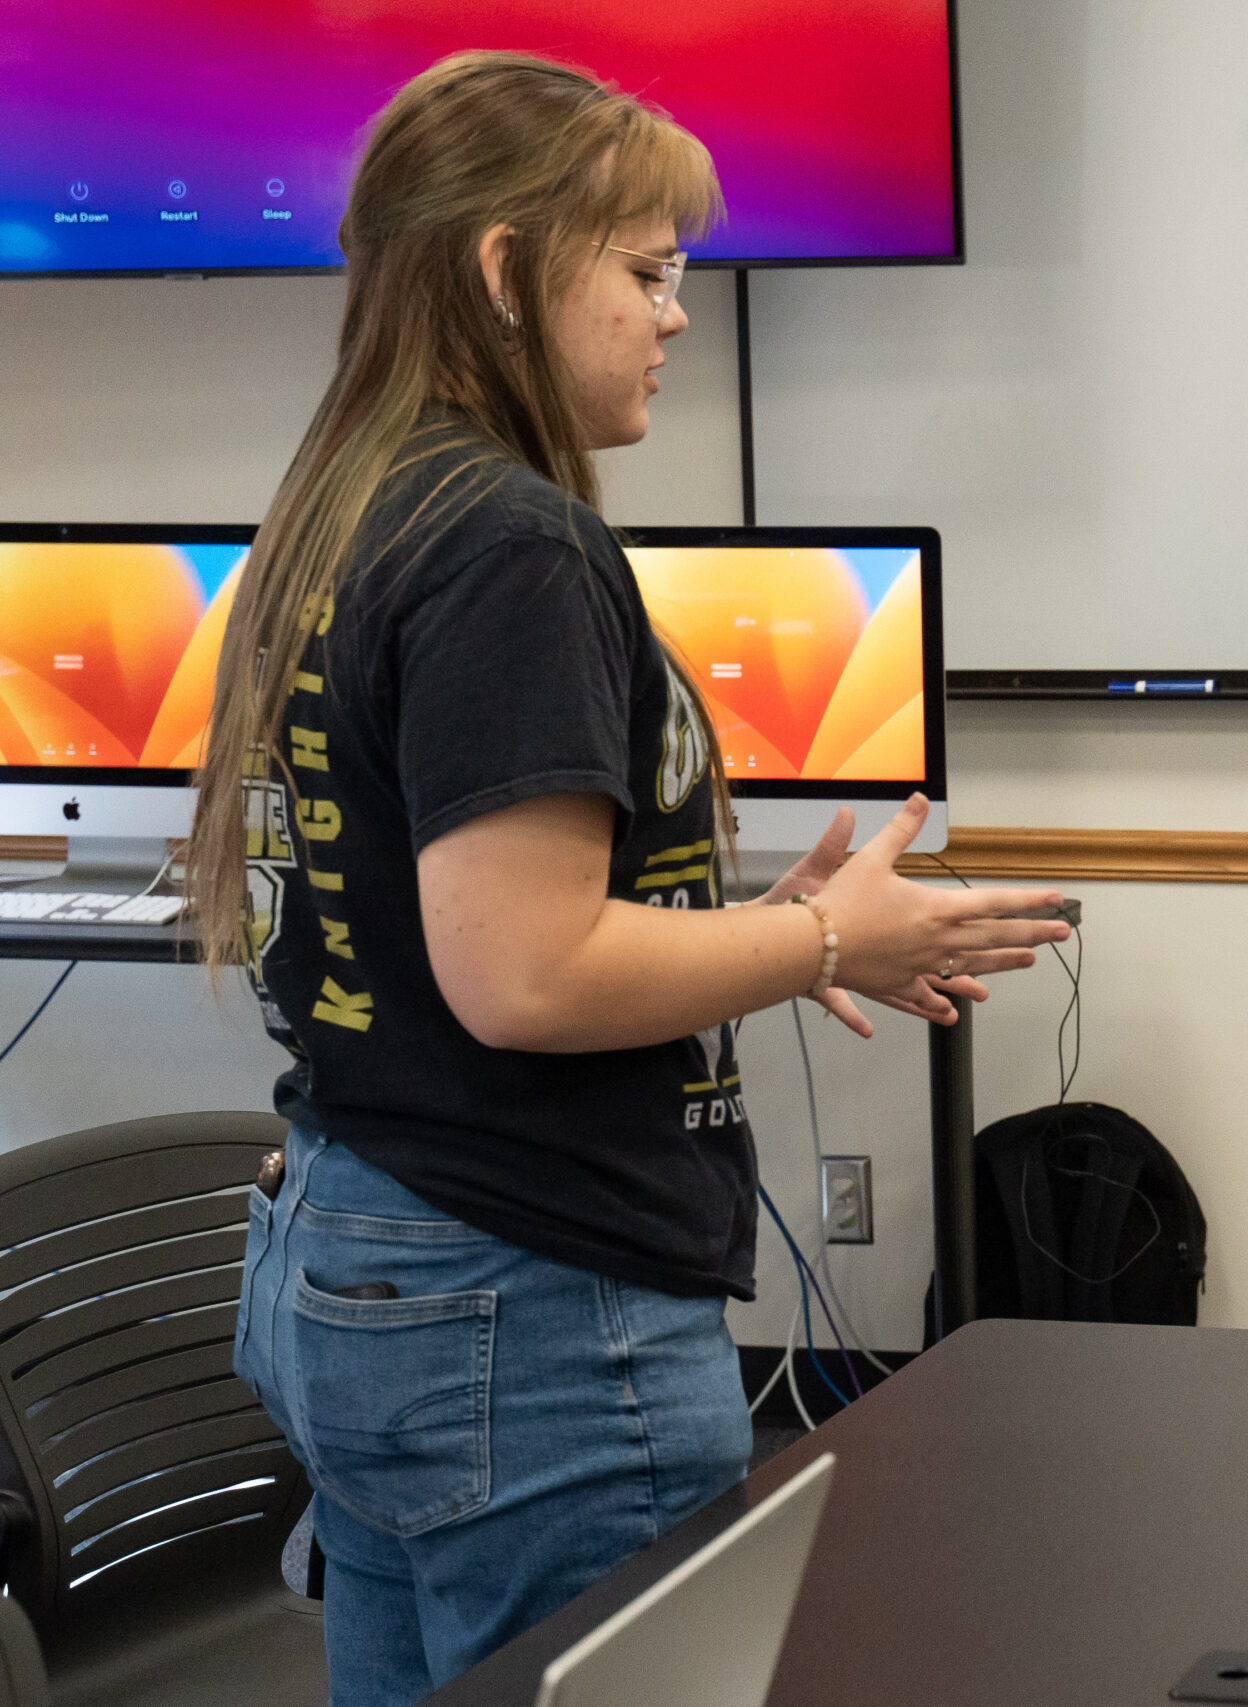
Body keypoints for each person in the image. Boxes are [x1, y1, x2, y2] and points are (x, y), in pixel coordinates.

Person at [194, 53, 1069, 1706]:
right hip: (519, 1316)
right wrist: (816, 930)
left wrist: (772, 943)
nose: (680, 315)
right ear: (508, 271)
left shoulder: (353, 507)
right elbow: (521, 978)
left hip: (366, 1264)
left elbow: (440, 927)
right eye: (649, 273)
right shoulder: (512, 542)